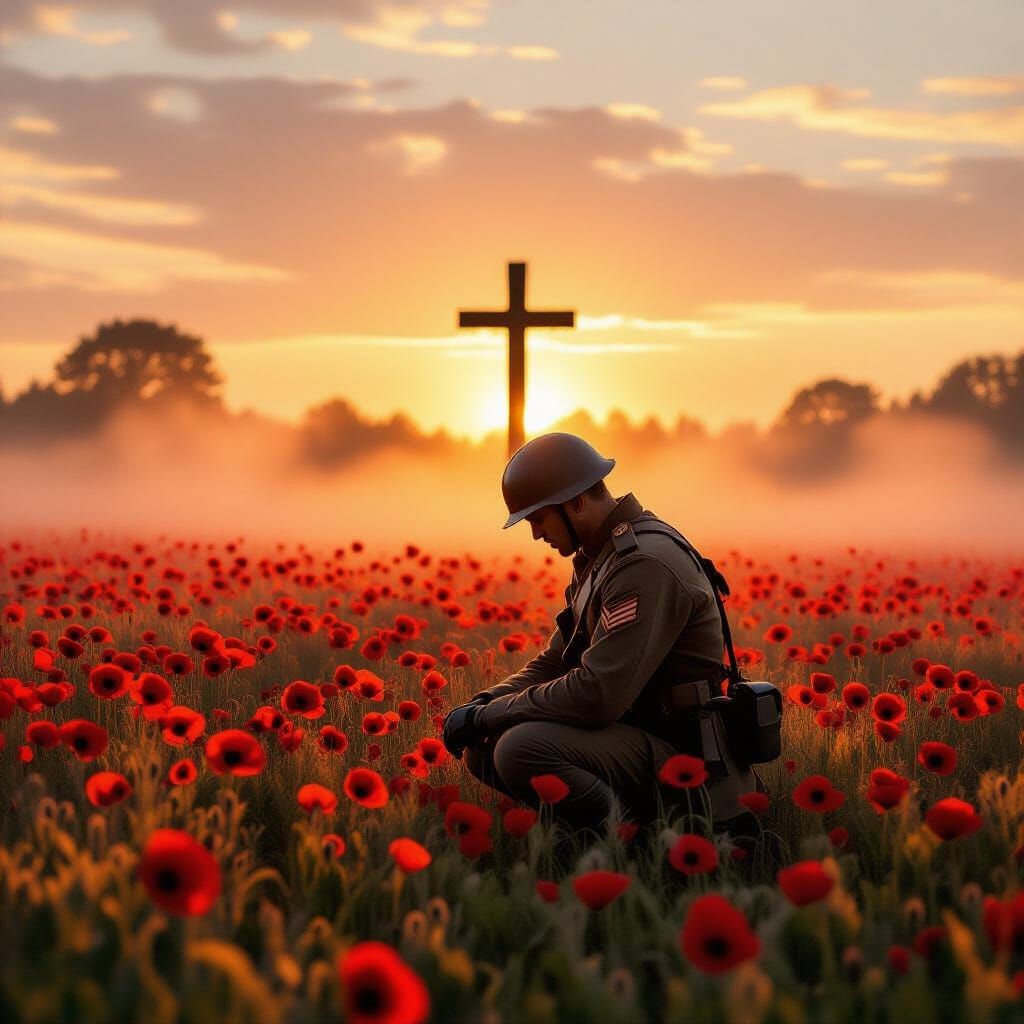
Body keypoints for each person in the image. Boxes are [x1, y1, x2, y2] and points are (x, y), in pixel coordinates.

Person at [442, 432, 761, 844]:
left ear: (575, 502)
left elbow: (597, 695)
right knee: (483, 747)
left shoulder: (642, 564)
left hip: (689, 756)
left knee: (519, 747)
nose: (536, 534)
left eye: (539, 518)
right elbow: (556, 660)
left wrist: (494, 714)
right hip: (641, 735)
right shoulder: (600, 556)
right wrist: (482, 706)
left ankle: (634, 846)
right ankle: (592, 835)